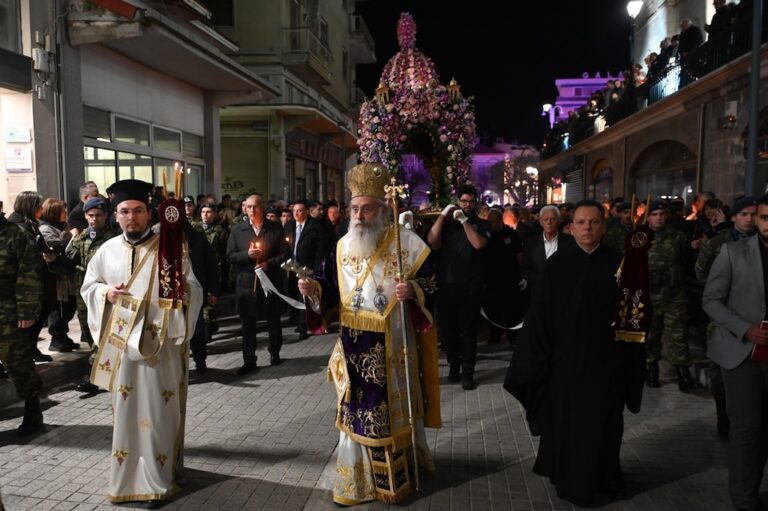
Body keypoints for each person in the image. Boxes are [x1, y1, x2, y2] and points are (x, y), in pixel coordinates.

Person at [297, 163, 440, 505]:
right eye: (355, 209)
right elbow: (329, 286)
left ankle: (397, 477)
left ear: (382, 210)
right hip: (352, 343)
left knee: (390, 410)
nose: (359, 216)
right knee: (355, 408)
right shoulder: (342, 245)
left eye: (367, 209)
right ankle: (358, 479)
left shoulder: (406, 243)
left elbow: (434, 282)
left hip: (394, 342)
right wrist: (313, 289)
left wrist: (413, 290)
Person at [505, 200, 638, 506]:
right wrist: (537, 360)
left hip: (606, 361)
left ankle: (607, 477)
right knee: (568, 424)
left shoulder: (619, 263)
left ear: (603, 227)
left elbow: (632, 312)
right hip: (565, 363)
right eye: (581, 222)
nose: (587, 228)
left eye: (594, 222)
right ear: (572, 227)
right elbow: (540, 317)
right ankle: (569, 479)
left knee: (606, 423)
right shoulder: (557, 265)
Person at [81, 179, 202, 507]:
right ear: (115, 215)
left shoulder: (170, 248)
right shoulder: (106, 251)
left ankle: (158, 478)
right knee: (126, 413)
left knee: (159, 413)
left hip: (160, 348)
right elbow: (88, 286)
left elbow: (194, 287)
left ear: (150, 213)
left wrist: (181, 294)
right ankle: (128, 478)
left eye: (137, 211)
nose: (131, 217)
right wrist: (105, 293)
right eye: (124, 211)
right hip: (122, 347)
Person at [702, 194, 768, 511]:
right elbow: (710, 300)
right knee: (746, 429)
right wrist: (745, 329)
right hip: (742, 353)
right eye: (765, 217)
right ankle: (744, 500)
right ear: (756, 219)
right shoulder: (732, 252)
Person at [427, 184, 489, 390]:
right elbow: (432, 241)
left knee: (468, 332)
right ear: (458, 201)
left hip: (470, 286)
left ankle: (468, 372)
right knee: (448, 332)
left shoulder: (480, 224)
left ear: (475, 202)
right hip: (447, 285)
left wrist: (464, 221)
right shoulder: (447, 225)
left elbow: (478, 244)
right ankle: (454, 368)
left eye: (470, 201)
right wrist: (443, 215)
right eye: (463, 201)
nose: (467, 205)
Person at [226, 193, 287, 372]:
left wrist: (269, 263)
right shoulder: (238, 230)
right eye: (248, 207)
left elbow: (285, 253)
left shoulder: (275, 228)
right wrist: (247, 255)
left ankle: (275, 353)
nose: (252, 210)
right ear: (244, 208)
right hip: (247, 283)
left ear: (263, 207)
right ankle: (249, 360)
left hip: (269, 280)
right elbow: (229, 256)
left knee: (273, 319)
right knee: (247, 323)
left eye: (255, 206)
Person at [65, 197, 118, 398]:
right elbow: (68, 259)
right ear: (86, 216)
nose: (94, 219)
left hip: (105, 292)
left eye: (98, 215)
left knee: (102, 331)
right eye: (90, 215)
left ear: (105, 216)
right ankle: (103, 367)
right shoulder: (82, 237)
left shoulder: (114, 239)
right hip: (84, 292)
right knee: (88, 330)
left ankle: (93, 376)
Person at [0, 200, 44, 436]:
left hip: (8, 314)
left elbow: (29, 274)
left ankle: (33, 411)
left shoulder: (16, 235)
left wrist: (27, 311)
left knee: (18, 363)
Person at [645, 201, 698, 391]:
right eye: (655, 214)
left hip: (674, 294)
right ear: (648, 217)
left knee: (678, 334)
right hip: (649, 295)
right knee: (650, 334)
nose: (659, 218)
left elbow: (686, 260)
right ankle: (651, 369)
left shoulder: (677, 236)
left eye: (662, 214)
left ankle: (683, 372)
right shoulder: (639, 237)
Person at [285, 200, 328, 340]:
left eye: (300, 211)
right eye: (294, 211)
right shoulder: (289, 225)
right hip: (292, 266)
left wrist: (316, 268)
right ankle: (298, 321)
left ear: (307, 212)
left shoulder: (314, 226)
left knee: (304, 296)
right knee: (293, 294)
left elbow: (320, 249)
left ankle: (304, 326)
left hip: (307, 267)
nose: (297, 214)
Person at [482, 209, 524, 343]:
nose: (490, 224)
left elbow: (519, 254)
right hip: (492, 279)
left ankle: (513, 337)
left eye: (492, 222)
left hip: (510, 277)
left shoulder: (511, 234)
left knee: (512, 309)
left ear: (500, 220)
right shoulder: (487, 235)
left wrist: (523, 273)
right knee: (493, 309)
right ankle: (494, 336)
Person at [521, 205, 573, 300]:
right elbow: (525, 268)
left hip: (563, 294)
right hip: (538, 294)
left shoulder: (569, 242)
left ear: (559, 221)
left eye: (552, 219)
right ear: (541, 222)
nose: (549, 222)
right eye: (546, 219)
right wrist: (540, 279)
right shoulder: (531, 242)